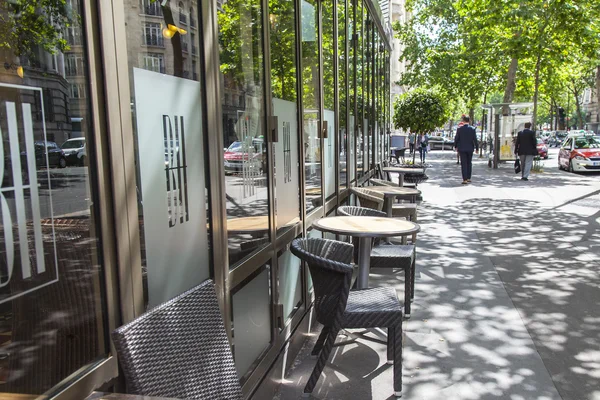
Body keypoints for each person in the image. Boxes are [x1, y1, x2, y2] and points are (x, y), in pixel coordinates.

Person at [454, 115, 479, 184]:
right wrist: (477, 148)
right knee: (469, 163)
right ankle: (468, 177)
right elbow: (475, 140)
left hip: (462, 149)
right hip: (470, 148)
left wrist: (455, 146)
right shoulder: (472, 129)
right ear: (469, 121)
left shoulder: (459, 129)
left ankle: (464, 179)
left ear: (463, 121)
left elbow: (456, 139)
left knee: (463, 163)